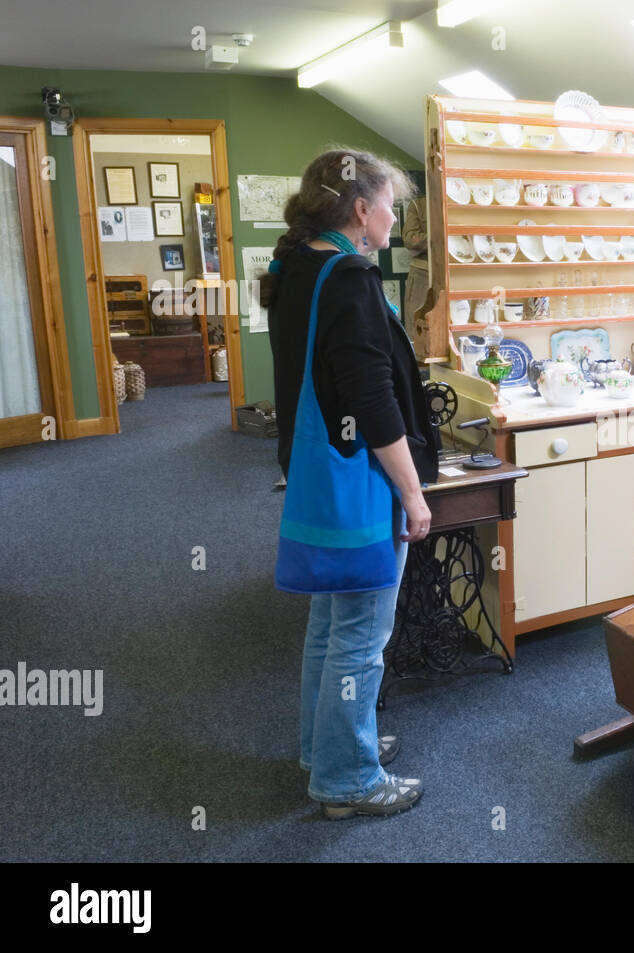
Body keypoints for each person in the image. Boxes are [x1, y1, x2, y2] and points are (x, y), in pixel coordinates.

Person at [263, 147, 441, 819]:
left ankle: (326, 745)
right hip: (359, 483)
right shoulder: (351, 279)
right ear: (362, 210)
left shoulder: (297, 265)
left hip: (312, 474)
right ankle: (347, 778)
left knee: (330, 621)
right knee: (362, 635)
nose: (396, 216)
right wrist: (414, 493)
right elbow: (373, 401)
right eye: (392, 204)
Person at [401, 193, 430, 361]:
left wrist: (426, 238)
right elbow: (411, 239)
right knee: (416, 325)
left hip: (452, 269)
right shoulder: (418, 204)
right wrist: (438, 235)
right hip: (422, 273)